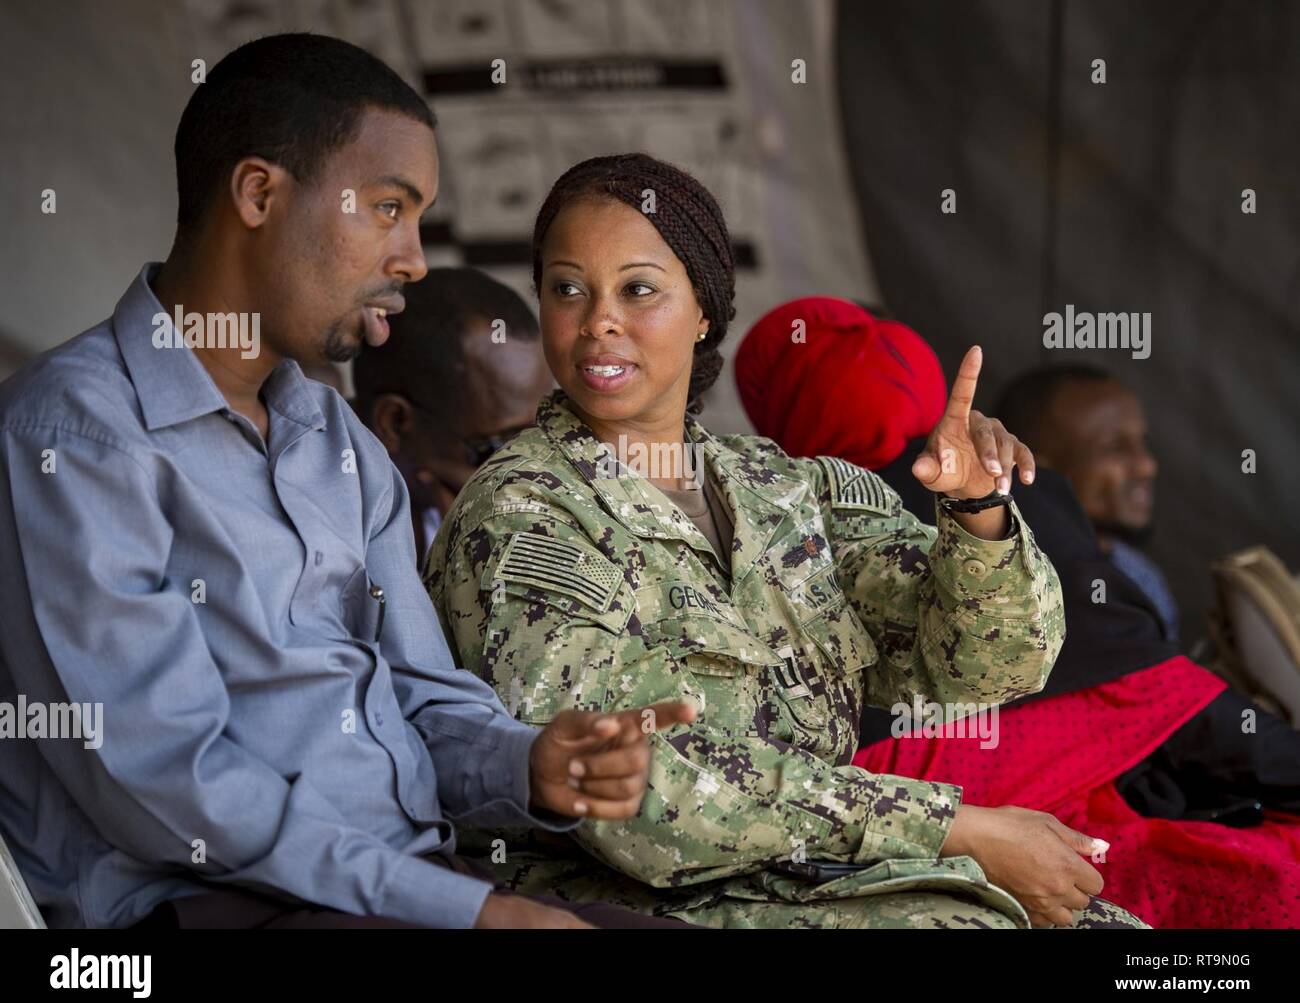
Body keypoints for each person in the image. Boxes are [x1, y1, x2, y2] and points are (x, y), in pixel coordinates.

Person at [0, 34, 697, 931]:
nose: (411, 257)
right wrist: (467, 912)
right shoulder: (74, 436)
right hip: (206, 909)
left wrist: (529, 762)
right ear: (259, 193)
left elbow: (417, 694)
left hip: (398, 884)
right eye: (386, 208)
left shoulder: (330, 435)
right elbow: (171, 783)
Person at [425, 152, 1147, 929]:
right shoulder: (521, 510)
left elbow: (989, 668)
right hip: (632, 902)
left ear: (703, 311)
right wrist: (950, 828)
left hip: (817, 879)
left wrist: (978, 510)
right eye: (568, 289)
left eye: (638, 289)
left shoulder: (783, 488)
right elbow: (633, 801)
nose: (599, 319)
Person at [734, 296, 1300, 927]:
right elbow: (1160, 697)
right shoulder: (1006, 501)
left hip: (876, 802)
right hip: (960, 790)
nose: (1146, 464)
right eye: (1116, 446)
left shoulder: (759, 517)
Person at [353, 267, 553, 564]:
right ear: (394, 424)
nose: (535, 475)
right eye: (499, 449)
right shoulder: (338, 528)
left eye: (542, 436)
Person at [992, 366, 1179, 643]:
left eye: (1142, 442)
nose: (1147, 465)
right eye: (1115, 447)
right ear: (1035, 470)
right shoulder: (1000, 590)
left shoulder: (1138, 573)